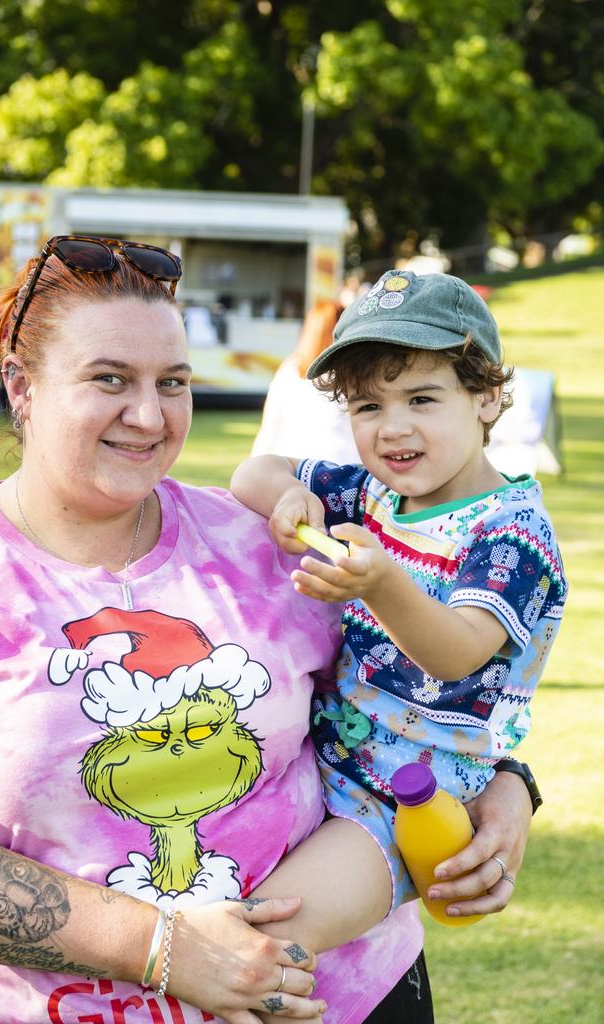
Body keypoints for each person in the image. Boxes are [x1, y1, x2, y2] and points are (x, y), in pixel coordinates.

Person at [0, 243, 534, 1024]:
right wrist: (162, 947)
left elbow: (407, 684)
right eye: (110, 379)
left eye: (172, 383)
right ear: (21, 386)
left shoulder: (262, 539)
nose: (148, 414)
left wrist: (508, 785)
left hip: (355, 997)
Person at [232, 269, 565, 932]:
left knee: (259, 938)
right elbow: (252, 472)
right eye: (368, 406)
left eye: (421, 399)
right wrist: (293, 500)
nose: (392, 428)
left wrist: (380, 583)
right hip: (318, 756)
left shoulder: (509, 533)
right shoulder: (377, 495)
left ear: (489, 398)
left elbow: (458, 652)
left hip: (403, 800)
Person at [251, 300, 361, 466]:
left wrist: (253, 468)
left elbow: (269, 429)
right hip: (337, 470)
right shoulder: (352, 374)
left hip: (290, 468)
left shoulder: (289, 369)